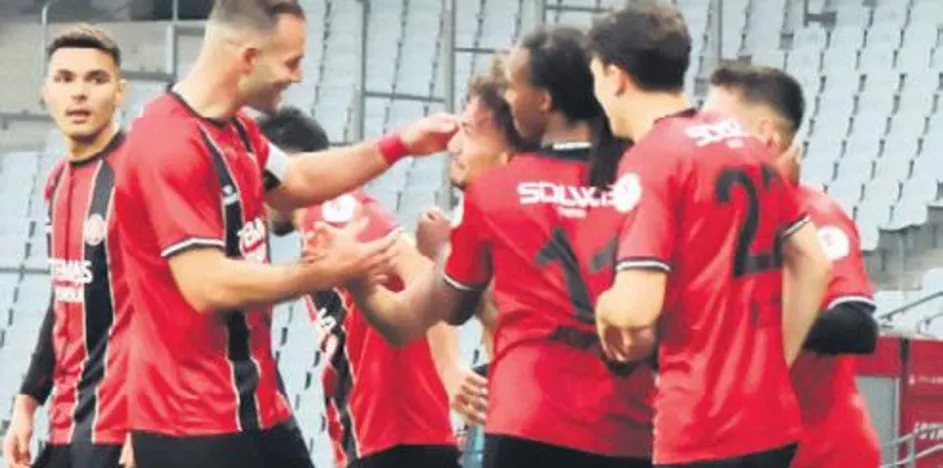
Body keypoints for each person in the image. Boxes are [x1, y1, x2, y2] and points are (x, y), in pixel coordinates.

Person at [112, 1, 458, 467]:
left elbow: (297, 178)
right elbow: (206, 284)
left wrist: (400, 144)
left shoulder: (236, 131)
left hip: (257, 407)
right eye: (291, 62)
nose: (297, 76)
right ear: (249, 58)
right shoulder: (169, 142)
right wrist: (322, 272)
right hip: (193, 424)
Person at [339, 26, 655, 468]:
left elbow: (416, 317)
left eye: (468, 131)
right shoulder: (642, 184)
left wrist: (354, 273)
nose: (453, 144)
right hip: (631, 429)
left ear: (539, 104)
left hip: (531, 424)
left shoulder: (498, 196)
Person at [586, 3, 832, 467]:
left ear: (615, 77)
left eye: (595, 76)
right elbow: (813, 261)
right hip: (770, 421)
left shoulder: (652, 157)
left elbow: (636, 309)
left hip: (700, 425)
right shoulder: (744, 143)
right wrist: (776, 363)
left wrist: (604, 307)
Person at [258, 107, 462, 468]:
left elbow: (420, 271)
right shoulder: (320, 225)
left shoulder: (331, 210)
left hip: (397, 437)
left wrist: (451, 373)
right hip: (384, 438)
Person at [702, 62, 881, 468]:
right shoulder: (712, 216)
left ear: (765, 137)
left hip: (820, 452)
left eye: (715, 127)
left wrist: (749, 319)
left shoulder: (815, 216)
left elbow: (856, 327)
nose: (701, 138)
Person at [2, 25, 135, 468]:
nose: (79, 92)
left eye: (96, 79)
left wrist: (150, 426)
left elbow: (176, 307)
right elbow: (66, 296)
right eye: (65, 79)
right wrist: (27, 399)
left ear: (120, 92)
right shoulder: (58, 180)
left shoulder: (138, 176)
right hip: (65, 422)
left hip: (119, 427)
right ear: (45, 93)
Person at [414, 59, 529, 427]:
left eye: (468, 132)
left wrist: (441, 252)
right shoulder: (478, 205)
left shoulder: (524, 213)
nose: (453, 145)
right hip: (515, 398)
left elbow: (511, 316)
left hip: (540, 413)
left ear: (509, 152)